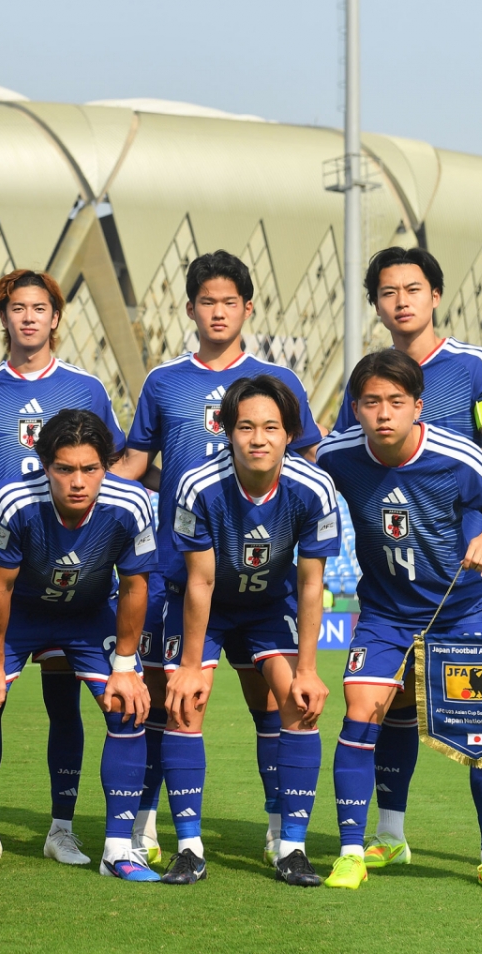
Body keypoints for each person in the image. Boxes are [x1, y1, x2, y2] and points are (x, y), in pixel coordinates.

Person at [112, 250, 322, 867]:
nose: (219, 311)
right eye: (208, 301)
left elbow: (307, 465)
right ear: (190, 309)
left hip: (265, 582)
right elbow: (135, 463)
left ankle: (283, 830)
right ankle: (154, 826)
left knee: (277, 704)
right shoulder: (163, 381)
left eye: (230, 301)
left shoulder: (277, 384)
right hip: (183, 572)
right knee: (166, 698)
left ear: (247, 309)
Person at [330, 247, 482, 876]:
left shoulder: (473, 367)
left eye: (413, 289)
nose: (401, 301)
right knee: (389, 707)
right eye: (388, 292)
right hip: (391, 583)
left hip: (463, 572)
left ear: (435, 295)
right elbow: (338, 460)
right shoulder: (365, 383)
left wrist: (435, 470)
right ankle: (384, 834)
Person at [0, 270, 126, 866]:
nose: (29, 318)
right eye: (17, 309)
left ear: (56, 318)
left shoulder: (87, 388)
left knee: (65, 705)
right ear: (4, 318)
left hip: (76, 579)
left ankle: (61, 826)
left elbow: (108, 466)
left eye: (40, 308)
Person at [0, 409, 157, 882]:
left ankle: (117, 849)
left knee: (126, 702)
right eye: (64, 469)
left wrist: (125, 665)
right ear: (45, 466)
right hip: (19, 610)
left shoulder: (132, 504)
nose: (78, 482)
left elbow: (134, 586)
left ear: (107, 465)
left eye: (90, 469)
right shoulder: (13, 499)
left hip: (87, 612)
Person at [164, 376, 340, 886]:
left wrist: (307, 669)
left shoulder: (314, 488)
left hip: (269, 606)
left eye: (270, 427)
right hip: (207, 605)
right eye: (245, 427)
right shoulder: (198, 485)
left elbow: (312, 585)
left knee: (299, 703)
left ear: (290, 434)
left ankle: (291, 847)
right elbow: (201, 580)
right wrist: (192, 667)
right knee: (185, 702)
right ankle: (189, 847)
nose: (258, 438)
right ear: (226, 431)